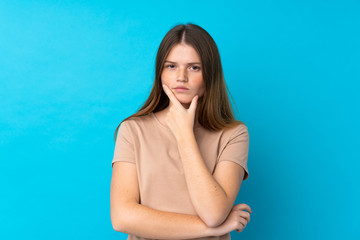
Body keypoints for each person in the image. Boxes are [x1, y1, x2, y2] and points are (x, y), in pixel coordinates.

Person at [110, 23, 252, 240]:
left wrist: (184, 134)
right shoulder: (132, 130)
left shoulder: (233, 134)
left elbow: (213, 213)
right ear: (160, 72)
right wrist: (212, 229)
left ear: (210, 74)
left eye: (194, 67)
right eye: (171, 66)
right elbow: (122, 217)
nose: (181, 77)